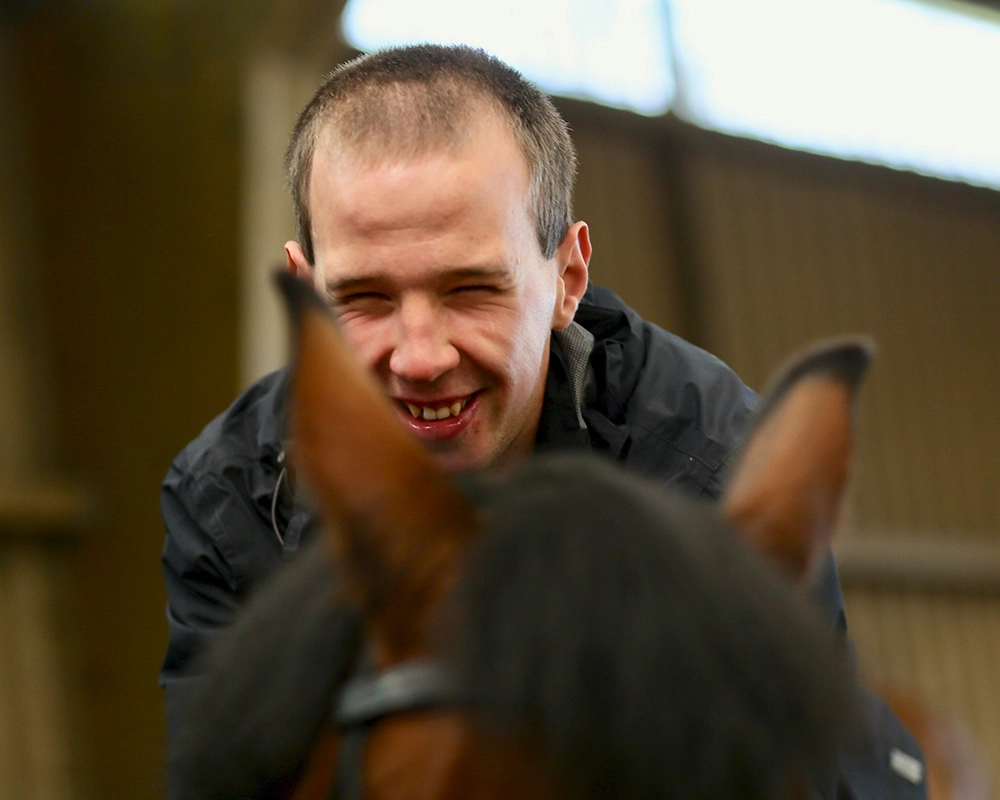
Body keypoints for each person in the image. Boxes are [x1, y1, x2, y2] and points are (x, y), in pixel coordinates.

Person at [161, 44, 926, 799]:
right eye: (363, 298)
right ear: (306, 289)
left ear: (567, 278)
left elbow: (791, 764)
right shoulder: (228, 497)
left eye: (471, 290)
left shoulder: (711, 463)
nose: (420, 358)